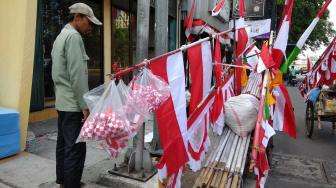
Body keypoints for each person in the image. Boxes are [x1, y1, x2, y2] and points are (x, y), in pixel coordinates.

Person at [51, 3, 102, 188]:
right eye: (89, 22)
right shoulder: (74, 37)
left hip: (62, 101)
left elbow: (57, 73)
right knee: (76, 147)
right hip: (73, 104)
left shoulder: (60, 36)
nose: (90, 27)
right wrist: (85, 106)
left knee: (64, 144)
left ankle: (64, 181)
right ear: (78, 17)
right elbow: (77, 76)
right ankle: (71, 183)